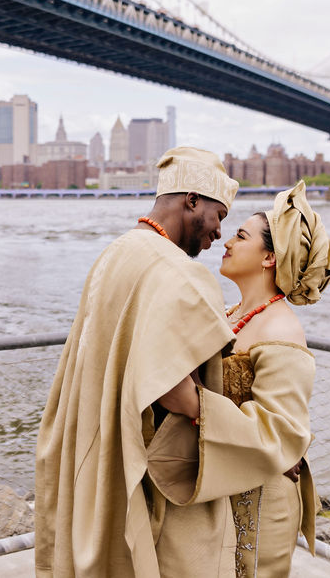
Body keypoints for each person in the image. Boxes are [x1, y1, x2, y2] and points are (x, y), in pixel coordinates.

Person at [36, 147, 285, 578]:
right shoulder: (181, 272)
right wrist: (265, 444)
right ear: (192, 200)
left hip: (96, 446)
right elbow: (174, 391)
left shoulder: (117, 252)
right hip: (148, 468)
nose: (218, 233)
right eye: (218, 215)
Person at [218, 180, 330, 577]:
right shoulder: (230, 313)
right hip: (220, 484)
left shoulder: (282, 330)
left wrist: (191, 403)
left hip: (260, 502)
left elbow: (280, 430)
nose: (226, 241)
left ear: (269, 257)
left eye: (240, 235)